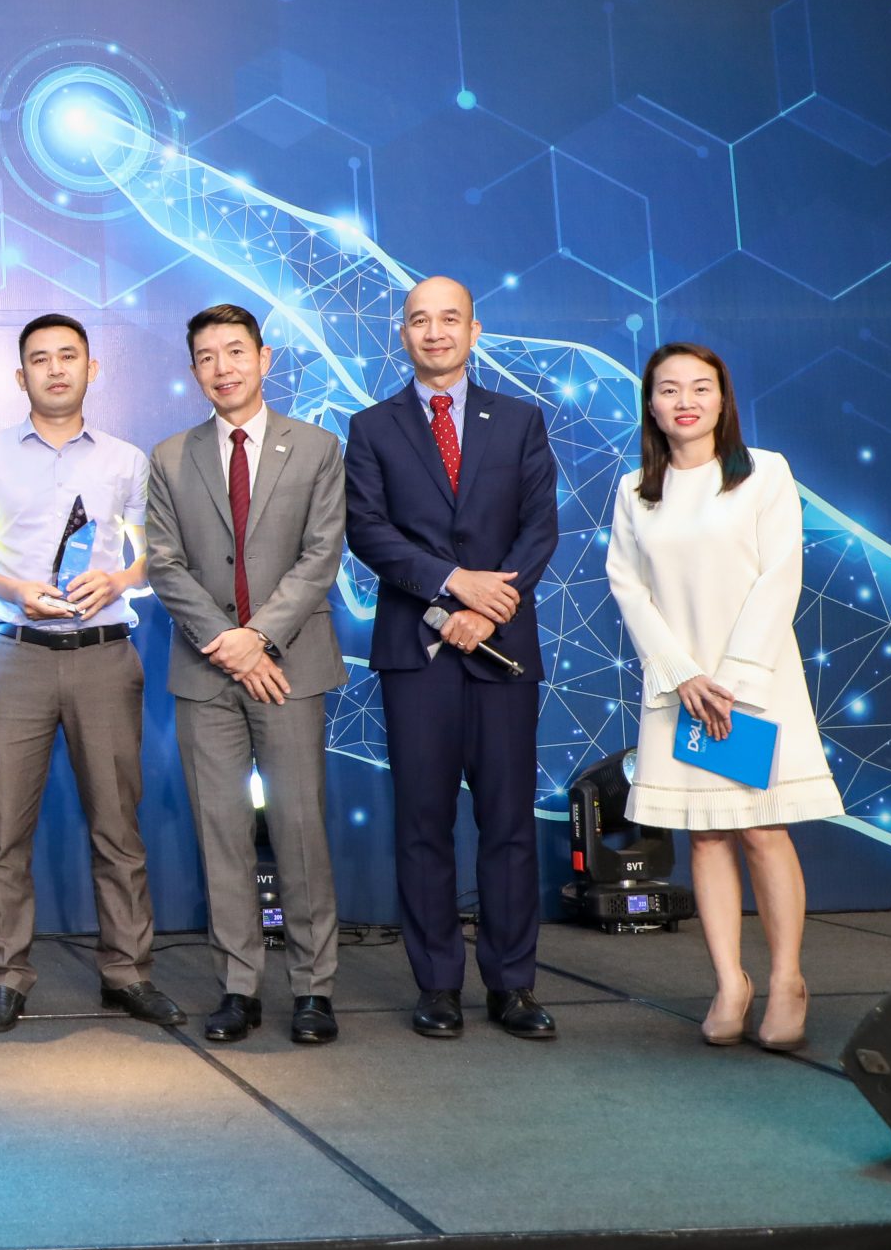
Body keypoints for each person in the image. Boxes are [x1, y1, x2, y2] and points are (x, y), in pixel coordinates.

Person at [0, 314, 184, 1035]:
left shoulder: (127, 461)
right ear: (20, 375)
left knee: (118, 825)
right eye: (40, 359)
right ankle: (4, 977)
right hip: (14, 653)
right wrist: (13, 588)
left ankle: (128, 973)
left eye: (68, 357)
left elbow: (155, 556)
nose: (55, 369)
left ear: (92, 369)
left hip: (103, 656)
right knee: (2, 828)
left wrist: (120, 580)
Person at [606, 343, 841, 1051]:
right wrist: (683, 675)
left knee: (762, 830)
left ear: (722, 398)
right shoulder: (635, 490)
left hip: (751, 685)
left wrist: (731, 679)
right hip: (681, 690)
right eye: (669, 389)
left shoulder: (764, 473)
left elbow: (781, 575)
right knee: (705, 834)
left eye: (700, 387)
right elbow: (628, 586)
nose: (685, 401)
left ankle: (788, 980)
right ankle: (729, 983)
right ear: (651, 405)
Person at [344, 276, 559, 1041]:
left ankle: (512, 984)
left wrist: (485, 606)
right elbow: (369, 532)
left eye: (449, 319)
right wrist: (452, 584)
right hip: (417, 653)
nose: (434, 331)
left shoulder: (521, 421)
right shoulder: (371, 427)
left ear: (475, 330)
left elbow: (539, 529)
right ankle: (436, 983)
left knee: (508, 824)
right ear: (401, 333)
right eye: (418, 320)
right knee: (423, 824)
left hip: (503, 650)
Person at [143, 306, 348, 1046]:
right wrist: (227, 643)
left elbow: (321, 556)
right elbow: (164, 563)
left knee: (299, 830)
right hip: (207, 673)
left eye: (235, 351)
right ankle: (238, 986)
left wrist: (258, 638)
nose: (222, 367)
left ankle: (313, 988)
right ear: (193, 370)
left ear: (264, 358)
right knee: (221, 833)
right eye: (207, 356)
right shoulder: (171, 456)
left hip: (289, 667)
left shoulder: (317, 447)